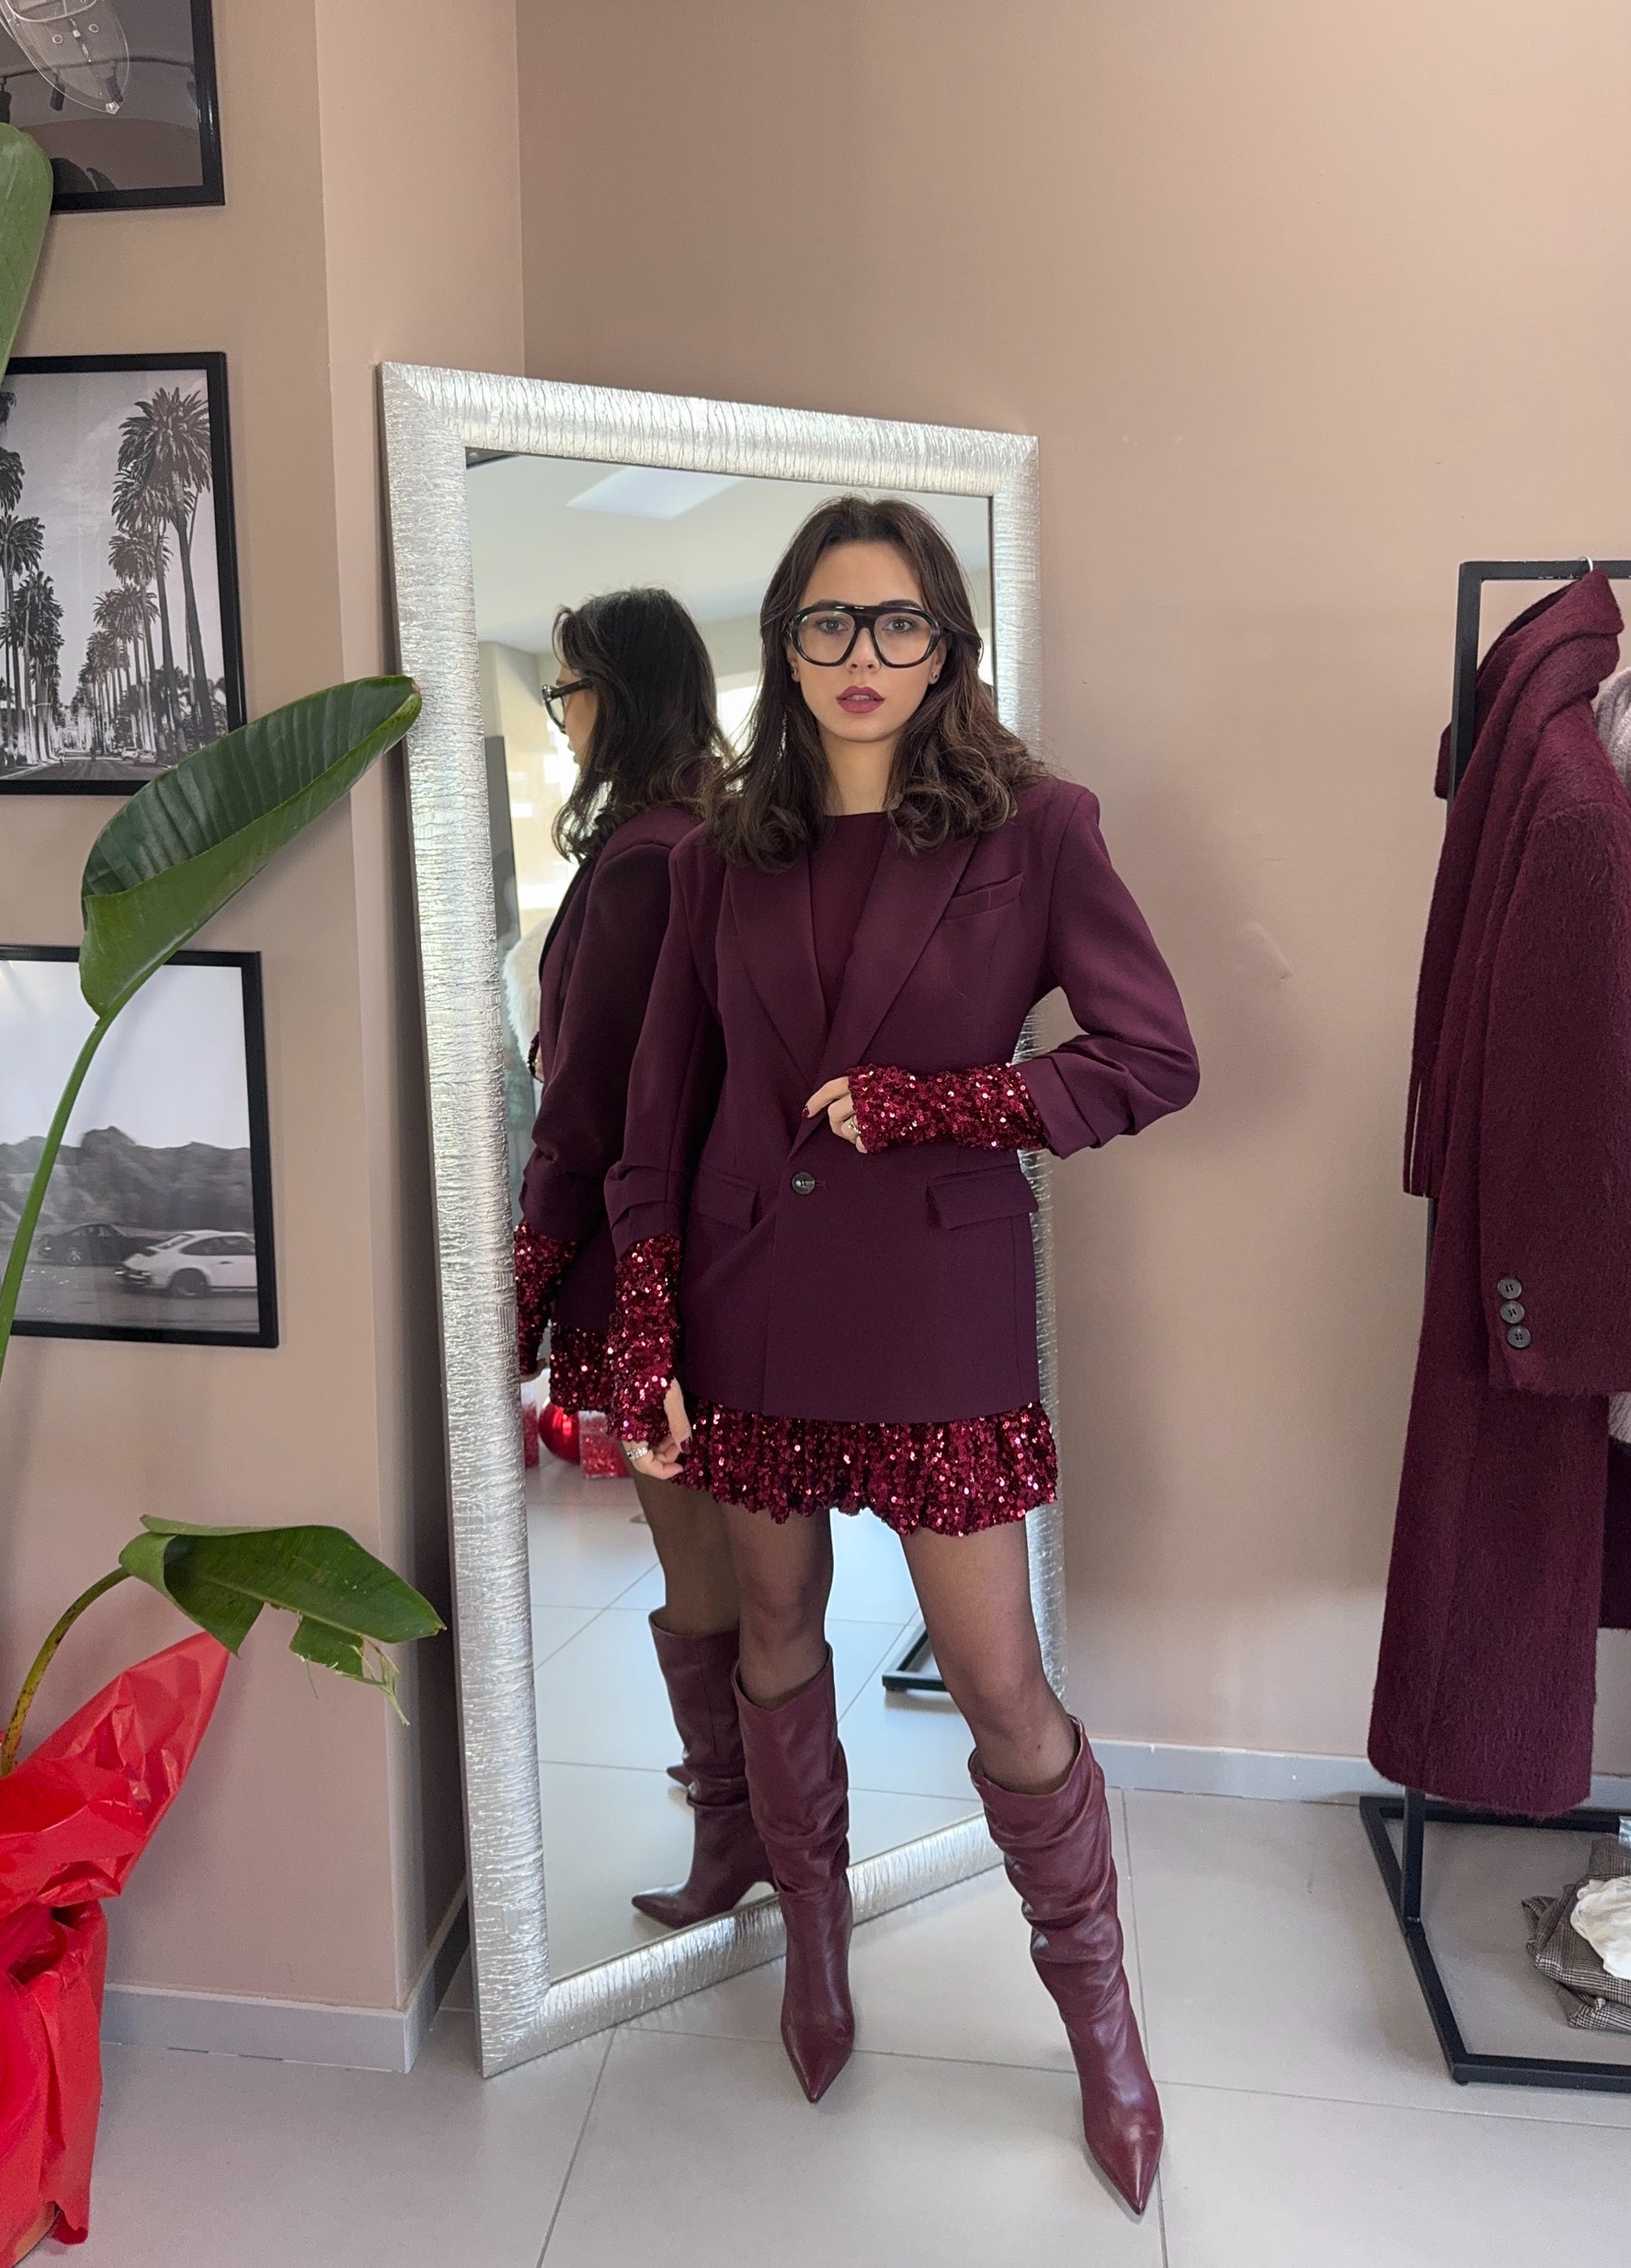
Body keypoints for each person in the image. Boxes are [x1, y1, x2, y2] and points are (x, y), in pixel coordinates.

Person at [607, 496, 1196, 2215]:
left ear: (944, 645)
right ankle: (814, 1952)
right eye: (825, 623)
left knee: (998, 1684)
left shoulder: (1038, 828)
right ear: (782, 646)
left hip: (937, 1310)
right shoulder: (717, 855)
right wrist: (644, 1325)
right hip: (750, 1301)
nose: (859, 657)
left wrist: (948, 1104)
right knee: (773, 1628)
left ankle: (1101, 2026)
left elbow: (1150, 1057)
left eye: (895, 624)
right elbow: (658, 1115)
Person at [511, 587, 769, 1931]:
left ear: (619, 695)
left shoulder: (640, 862)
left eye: (568, 690)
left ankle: (737, 1826)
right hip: (714, 1244)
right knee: (729, 1543)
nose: (561, 716)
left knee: (694, 1555)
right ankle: (753, 1798)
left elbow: (589, 1104)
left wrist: (526, 1272)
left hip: (637, 1251)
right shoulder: (710, 833)